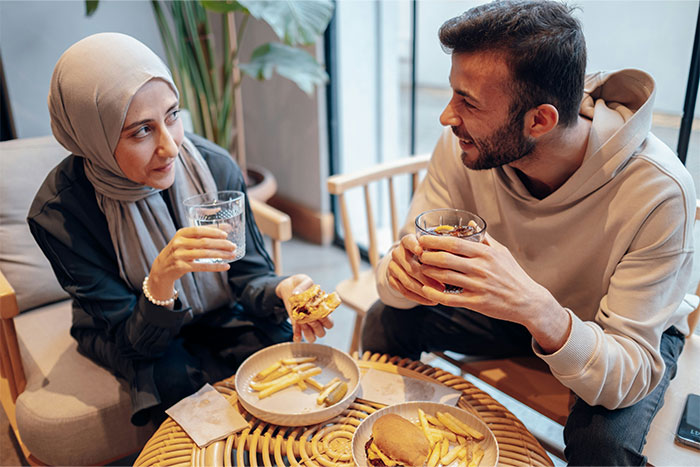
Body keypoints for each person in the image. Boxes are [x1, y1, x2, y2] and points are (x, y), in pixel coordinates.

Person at [362, 1, 696, 465]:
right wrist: (400, 273)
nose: (446, 117)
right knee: (385, 317)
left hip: (611, 337)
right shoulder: (466, 148)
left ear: (539, 120)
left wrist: (538, 309)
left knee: (604, 447)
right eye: (452, 93)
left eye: (468, 102)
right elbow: (396, 277)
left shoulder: (658, 192)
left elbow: (630, 373)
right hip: (505, 311)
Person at [28, 32, 332, 426]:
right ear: (92, 135)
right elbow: (130, 340)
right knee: (169, 378)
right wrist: (160, 281)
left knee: (277, 349)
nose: (171, 148)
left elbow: (248, 275)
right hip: (122, 326)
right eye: (140, 130)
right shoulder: (62, 212)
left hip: (216, 304)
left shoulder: (213, 168)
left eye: (172, 115)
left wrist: (282, 288)